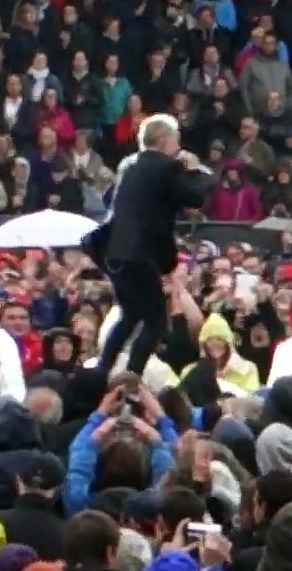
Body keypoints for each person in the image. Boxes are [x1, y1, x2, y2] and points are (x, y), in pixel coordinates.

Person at [84, 114, 214, 377]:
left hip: (114, 253)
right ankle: (131, 375)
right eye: (176, 141)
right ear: (166, 140)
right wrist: (197, 170)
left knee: (130, 315)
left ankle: (103, 369)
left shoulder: (129, 167)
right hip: (140, 254)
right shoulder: (166, 166)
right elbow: (195, 197)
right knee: (155, 320)